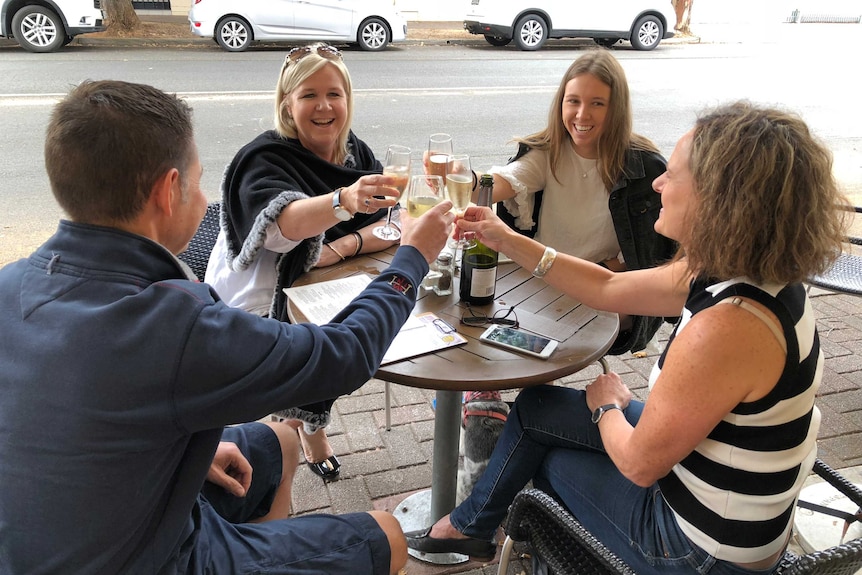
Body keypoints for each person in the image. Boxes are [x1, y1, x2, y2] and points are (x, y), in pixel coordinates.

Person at [0, 79, 454, 575]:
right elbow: (343, 357)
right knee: (387, 537)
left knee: (279, 441)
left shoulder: (12, 283)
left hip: (70, 528)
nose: (203, 200)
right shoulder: (173, 324)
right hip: (146, 556)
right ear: (167, 191)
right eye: (196, 183)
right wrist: (412, 259)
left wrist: (184, 450)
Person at [407, 101, 848, 574]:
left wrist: (607, 406)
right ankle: (473, 529)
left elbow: (639, 465)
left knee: (542, 462)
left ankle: (515, 542)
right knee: (537, 409)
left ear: (719, 200)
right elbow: (608, 287)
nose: (657, 183)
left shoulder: (731, 325)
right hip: (707, 484)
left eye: (672, 176)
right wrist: (505, 238)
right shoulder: (747, 271)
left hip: (699, 550)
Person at [205, 43, 400, 480]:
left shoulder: (356, 156)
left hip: (325, 279)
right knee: (335, 344)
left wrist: (340, 247)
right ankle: (293, 434)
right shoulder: (266, 157)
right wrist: (342, 202)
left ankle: (300, 424)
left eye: (335, 93)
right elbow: (279, 228)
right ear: (287, 104)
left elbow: (391, 224)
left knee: (362, 330)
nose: (324, 105)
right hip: (256, 296)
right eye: (309, 94)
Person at [485, 49, 675, 355]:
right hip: (541, 279)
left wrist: (595, 271)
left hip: (605, 287)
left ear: (617, 109)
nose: (582, 115)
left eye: (597, 103)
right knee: (477, 305)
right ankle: (500, 390)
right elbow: (505, 181)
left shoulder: (646, 170)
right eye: (573, 101)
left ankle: (527, 390)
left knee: (536, 336)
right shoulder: (547, 152)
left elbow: (652, 260)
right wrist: (464, 180)